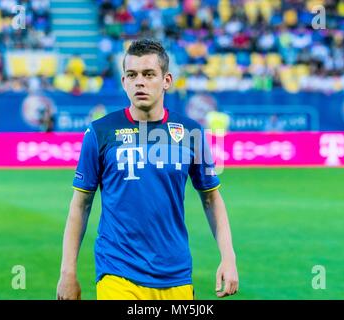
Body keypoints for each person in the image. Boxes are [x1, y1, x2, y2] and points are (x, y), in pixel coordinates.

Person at [56, 39, 238, 300]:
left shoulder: (191, 133)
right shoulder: (100, 132)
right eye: (132, 75)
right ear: (123, 82)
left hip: (176, 275)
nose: (139, 81)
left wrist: (228, 257)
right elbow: (80, 205)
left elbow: (211, 199)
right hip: (117, 273)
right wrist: (67, 272)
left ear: (167, 80)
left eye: (148, 74)